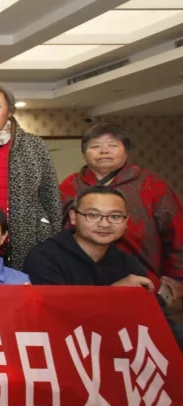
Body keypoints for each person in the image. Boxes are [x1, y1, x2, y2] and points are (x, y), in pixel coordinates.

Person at [25, 186, 183, 348]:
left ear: (126, 221)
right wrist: (113, 293)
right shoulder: (45, 257)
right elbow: (53, 317)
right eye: (93, 215)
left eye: (115, 216)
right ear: (73, 217)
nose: (105, 224)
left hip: (117, 346)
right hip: (65, 348)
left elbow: (156, 317)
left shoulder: (128, 262)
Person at [59, 123, 183, 312]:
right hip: (82, 279)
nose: (104, 151)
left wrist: (177, 277)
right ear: (84, 152)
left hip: (142, 278)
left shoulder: (151, 184)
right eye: (95, 146)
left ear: (126, 150)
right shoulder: (69, 186)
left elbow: (176, 233)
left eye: (113, 145)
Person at [0, 83, 61, 271]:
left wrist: (53, 235)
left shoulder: (33, 145)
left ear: (9, 111)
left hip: (28, 235)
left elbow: (50, 193)